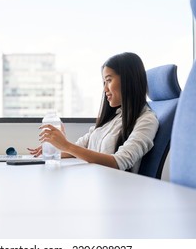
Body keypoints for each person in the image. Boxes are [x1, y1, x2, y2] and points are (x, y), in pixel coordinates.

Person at [28, 52, 159, 172]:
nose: (105, 89)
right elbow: (78, 149)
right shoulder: (113, 118)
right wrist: (54, 149)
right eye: (104, 82)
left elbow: (119, 162)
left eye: (109, 80)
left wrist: (66, 145)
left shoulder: (146, 120)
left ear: (128, 80)